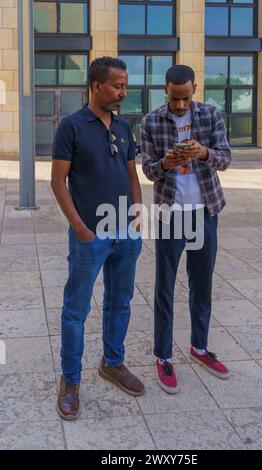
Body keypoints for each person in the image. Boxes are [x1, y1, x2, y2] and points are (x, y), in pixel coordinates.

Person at [51, 57, 145, 420]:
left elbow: (131, 173)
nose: (123, 91)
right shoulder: (71, 126)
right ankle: (71, 381)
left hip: (126, 233)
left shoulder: (123, 126)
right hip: (91, 235)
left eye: (124, 85)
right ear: (96, 85)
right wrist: (79, 228)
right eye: (117, 85)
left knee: (120, 302)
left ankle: (113, 362)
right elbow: (58, 181)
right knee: (76, 310)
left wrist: (138, 213)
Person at [141, 64, 232, 394]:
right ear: (166, 89)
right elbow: (149, 171)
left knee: (202, 283)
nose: (179, 105)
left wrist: (204, 152)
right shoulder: (151, 121)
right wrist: (165, 162)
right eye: (174, 98)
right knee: (165, 286)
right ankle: (163, 355)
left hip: (205, 211)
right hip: (170, 214)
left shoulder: (210, 116)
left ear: (195, 88)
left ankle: (200, 347)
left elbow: (226, 158)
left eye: (185, 97)